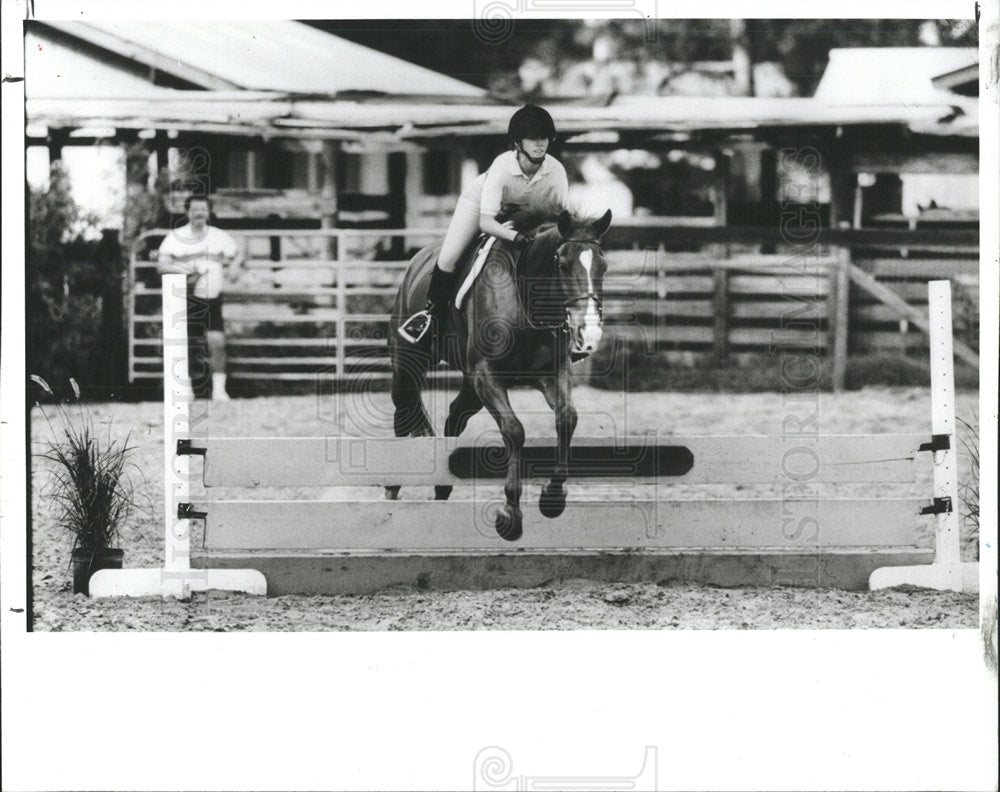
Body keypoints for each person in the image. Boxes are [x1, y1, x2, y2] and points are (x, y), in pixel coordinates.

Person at [399, 104, 569, 342]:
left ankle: (567, 326)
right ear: (518, 143)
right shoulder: (502, 166)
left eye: (543, 138)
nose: (540, 144)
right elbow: (486, 223)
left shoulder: (556, 172)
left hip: (523, 214)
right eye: (532, 139)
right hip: (480, 208)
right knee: (449, 257)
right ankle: (430, 317)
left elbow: (562, 221)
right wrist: (515, 237)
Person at [157, 195, 241, 401]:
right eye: (195, 210)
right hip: (186, 298)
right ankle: (185, 389)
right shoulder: (176, 237)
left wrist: (235, 267)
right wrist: (185, 271)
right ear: (187, 212)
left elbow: (238, 253)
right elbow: (161, 266)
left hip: (212, 298)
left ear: (209, 212)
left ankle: (219, 391)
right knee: (187, 343)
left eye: (203, 209)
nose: (199, 213)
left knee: (217, 342)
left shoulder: (219, 236)